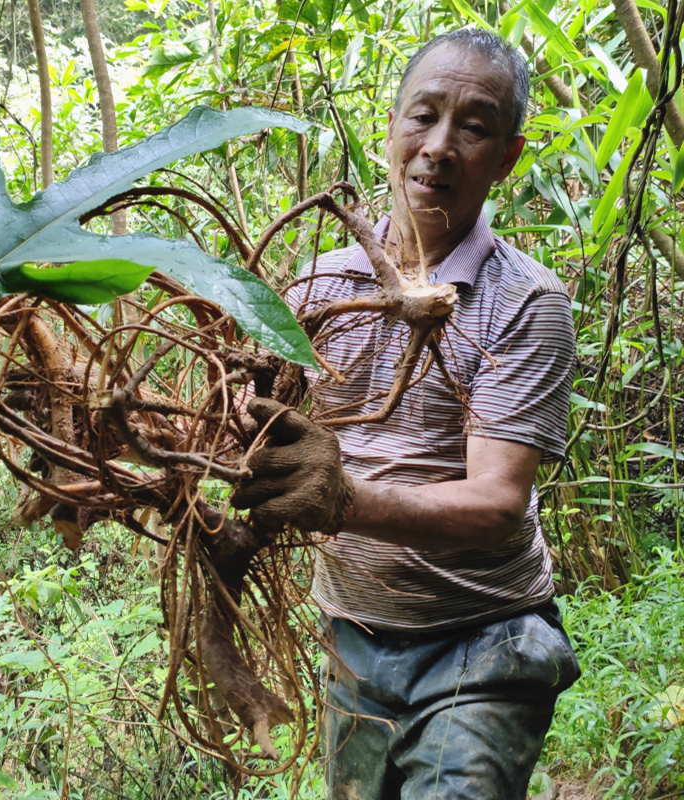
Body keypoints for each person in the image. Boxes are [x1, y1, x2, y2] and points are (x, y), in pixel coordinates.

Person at [231, 28, 580, 800]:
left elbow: (495, 506)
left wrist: (344, 500)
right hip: (352, 646)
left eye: (476, 127)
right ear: (391, 129)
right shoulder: (318, 287)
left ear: (508, 157)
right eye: (423, 117)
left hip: (483, 645)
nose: (441, 147)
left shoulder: (526, 302)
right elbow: (251, 436)